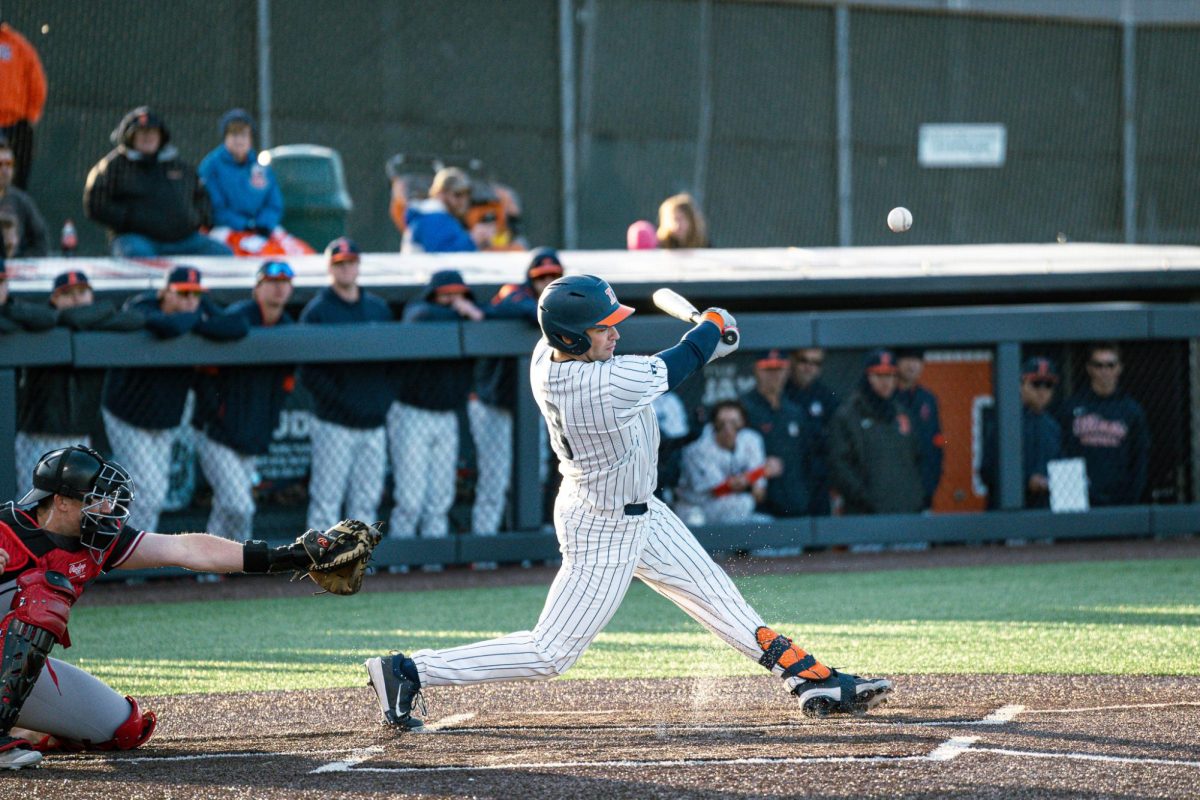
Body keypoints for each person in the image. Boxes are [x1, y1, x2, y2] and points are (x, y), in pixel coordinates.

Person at [364, 274, 892, 731]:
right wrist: (710, 329)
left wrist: (707, 339)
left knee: (722, 602)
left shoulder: (549, 352)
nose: (614, 332)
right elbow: (676, 363)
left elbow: (673, 359)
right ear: (572, 338)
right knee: (551, 653)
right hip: (603, 524)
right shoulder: (591, 384)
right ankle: (409, 670)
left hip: (639, 508)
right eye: (602, 327)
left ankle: (808, 681)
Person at [0, 445, 374, 770]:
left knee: (124, 728)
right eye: (95, 498)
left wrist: (283, 556)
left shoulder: (96, 540)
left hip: (10, 666)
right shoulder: (7, 527)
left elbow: (186, 549)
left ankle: (22, 726)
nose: (107, 507)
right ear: (62, 502)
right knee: (43, 595)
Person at [101, 266, 249, 532]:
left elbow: (237, 326)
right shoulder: (142, 304)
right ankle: (130, 559)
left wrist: (198, 320)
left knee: (153, 493)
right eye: (182, 294)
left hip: (164, 419)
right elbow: (169, 326)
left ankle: (131, 557)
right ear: (165, 292)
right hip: (127, 417)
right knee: (147, 494)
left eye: (195, 294)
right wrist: (199, 321)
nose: (190, 301)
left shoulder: (197, 308)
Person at [193, 261, 296, 541]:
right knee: (240, 507)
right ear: (257, 288)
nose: (278, 287)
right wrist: (217, 415)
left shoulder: (288, 326)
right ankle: (241, 563)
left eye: (284, 281)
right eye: (272, 281)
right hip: (217, 435)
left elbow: (285, 386)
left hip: (252, 434)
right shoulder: (239, 315)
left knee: (227, 508)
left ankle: (209, 571)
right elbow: (205, 374)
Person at [16, 271, 144, 496]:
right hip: (37, 436)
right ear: (54, 299)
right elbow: (68, 318)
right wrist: (104, 310)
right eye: (68, 293)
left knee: (76, 504)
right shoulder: (44, 321)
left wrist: (102, 311)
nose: (76, 299)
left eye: (83, 292)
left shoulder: (98, 324)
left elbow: (136, 320)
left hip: (81, 435)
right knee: (33, 503)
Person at [298, 238, 392, 532]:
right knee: (326, 500)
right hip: (334, 423)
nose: (347, 268)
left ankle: (355, 565)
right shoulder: (317, 311)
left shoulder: (378, 308)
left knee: (366, 501)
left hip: (372, 423)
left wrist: (379, 403)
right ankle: (321, 565)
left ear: (358, 265)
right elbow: (309, 373)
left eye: (351, 262)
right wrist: (342, 402)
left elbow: (394, 364)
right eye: (340, 263)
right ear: (330, 267)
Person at [469, 248, 564, 536]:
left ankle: (526, 546)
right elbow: (516, 308)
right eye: (541, 276)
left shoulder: (561, 303)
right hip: (492, 404)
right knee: (494, 480)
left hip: (531, 407)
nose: (547, 281)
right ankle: (483, 549)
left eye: (553, 276)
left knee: (534, 476)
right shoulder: (515, 292)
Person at [387, 270, 483, 548]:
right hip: (412, 413)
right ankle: (401, 565)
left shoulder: (470, 314)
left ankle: (435, 566)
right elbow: (419, 317)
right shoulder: (421, 310)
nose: (454, 299)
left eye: (458, 294)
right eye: (447, 294)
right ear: (434, 293)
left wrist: (470, 312)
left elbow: (490, 314)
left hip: (447, 416)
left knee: (440, 499)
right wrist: (462, 311)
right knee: (410, 500)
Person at [84, 106, 234, 258]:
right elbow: (96, 203)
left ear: (161, 136)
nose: (148, 137)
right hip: (138, 240)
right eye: (142, 132)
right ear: (130, 137)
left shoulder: (179, 166)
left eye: (153, 132)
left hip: (185, 240)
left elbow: (201, 196)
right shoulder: (114, 166)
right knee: (137, 256)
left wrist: (195, 219)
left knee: (222, 254)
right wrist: (130, 219)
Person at [198, 109, 313, 257]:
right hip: (226, 231)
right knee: (269, 254)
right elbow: (214, 209)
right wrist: (246, 224)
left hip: (262, 229)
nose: (240, 140)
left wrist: (263, 223)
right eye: (234, 135)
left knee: (302, 254)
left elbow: (274, 203)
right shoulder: (211, 166)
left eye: (244, 135)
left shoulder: (259, 166)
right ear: (225, 137)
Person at [829, 349, 924, 515]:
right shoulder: (848, 415)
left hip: (906, 511)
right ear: (867, 377)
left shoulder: (902, 413)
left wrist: (915, 497)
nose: (886, 382)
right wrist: (866, 497)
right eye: (879, 375)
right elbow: (840, 465)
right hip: (866, 515)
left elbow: (919, 458)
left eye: (891, 375)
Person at [1059, 343, 1150, 507]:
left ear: (1119, 368)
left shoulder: (1131, 411)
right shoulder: (1072, 407)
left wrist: (1132, 497)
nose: (1104, 371)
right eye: (1098, 365)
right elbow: (1062, 453)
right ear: (1089, 368)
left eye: (1110, 365)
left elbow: (1140, 458)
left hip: (1120, 500)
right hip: (1079, 499)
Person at [678, 399, 781, 525]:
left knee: (767, 525)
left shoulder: (751, 439)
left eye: (734, 423)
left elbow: (759, 494)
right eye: (722, 423)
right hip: (696, 509)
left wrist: (756, 477)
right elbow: (720, 489)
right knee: (743, 503)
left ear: (743, 423)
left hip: (730, 507)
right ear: (713, 424)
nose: (728, 428)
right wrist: (761, 472)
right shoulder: (699, 449)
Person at [979, 357, 1062, 510]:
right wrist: (1027, 480)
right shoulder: (1005, 421)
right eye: (1036, 384)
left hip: (1044, 512)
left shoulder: (1053, 426)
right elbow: (987, 471)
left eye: (1048, 385)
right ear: (1021, 385)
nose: (1042, 391)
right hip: (1008, 512)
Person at [741, 349, 810, 518]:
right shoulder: (744, 408)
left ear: (787, 370)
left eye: (779, 368)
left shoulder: (795, 411)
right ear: (757, 370)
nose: (774, 375)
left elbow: (807, 457)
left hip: (794, 504)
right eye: (768, 369)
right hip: (759, 508)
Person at [785, 348, 838, 516]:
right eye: (804, 360)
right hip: (788, 481)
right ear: (792, 360)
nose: (809, 367)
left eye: (815, 363)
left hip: (819, 481)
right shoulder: (780, 393)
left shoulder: (827, 397)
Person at [893, 348, 944, 510]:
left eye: (917, 360)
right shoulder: (886, 397)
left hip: (923, 491)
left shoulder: (928, 399)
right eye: (907, 359)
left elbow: (938, 440)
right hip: (892, 492)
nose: (912, 365)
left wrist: (931, 482)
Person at [0, 22, 46, 190]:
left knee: (16, 181)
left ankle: (10, 214)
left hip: (14, 125)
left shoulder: (16, 45)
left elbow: (36, 82)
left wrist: (30, 115)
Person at [401, 167, 480, 253]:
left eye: (467, 194)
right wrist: (474, 239)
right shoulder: (433, 217)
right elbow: (443, 257)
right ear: (440, 194)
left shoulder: (437, 217)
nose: (464, 201)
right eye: (458, 194)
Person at [0, 137, 48, 256]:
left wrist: (20, 262)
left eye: (9, 164)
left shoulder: (21, 201)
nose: (5, 169)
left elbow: (40, 241)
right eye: (0, 164)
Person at [0, 255, 55, 334]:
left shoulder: (15, 308)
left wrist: (12, 313)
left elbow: (50, 318)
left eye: (0, 281)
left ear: (7, 284)